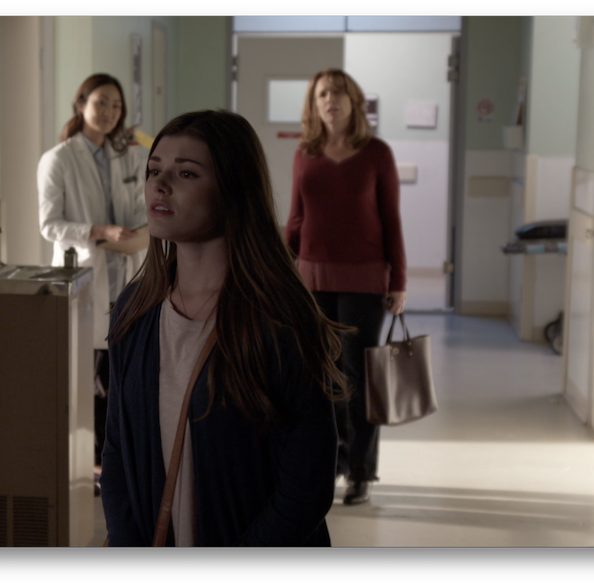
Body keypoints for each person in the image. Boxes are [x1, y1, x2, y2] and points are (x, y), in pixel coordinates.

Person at [100, 110, 348, 547]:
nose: (160, 184)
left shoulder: (280, 320)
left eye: (187, 173)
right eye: (154, 170)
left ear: (233, 190)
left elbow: (305, 490)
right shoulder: (135, 312)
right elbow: (117, 454)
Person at [284, 68, 408, 506]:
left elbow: (391, 220)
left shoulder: (377, 153)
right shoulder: (305, 153)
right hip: (312, 280)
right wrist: (279, 269)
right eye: (322, 94)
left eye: (338, 93)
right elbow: (296, 219)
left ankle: (361, 470)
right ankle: (331, 461)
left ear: (354, 101)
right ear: (313, 104)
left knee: (359, 377)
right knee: (322, 376)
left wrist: (399, 280)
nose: (330, 100)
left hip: (363, 280)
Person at [37, 74, 148, 474]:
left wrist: (137, 231)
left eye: (116, 106)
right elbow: (49, 224)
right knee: (97, 377)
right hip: (86, 275)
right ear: (81, 103)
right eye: (101, 102)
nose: (109, 112)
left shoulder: (126, 157)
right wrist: (98, 231)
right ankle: (99, 464)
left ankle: (116, 458)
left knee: (123, 373)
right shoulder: (58, 159)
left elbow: (139, 206)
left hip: (125, 274)